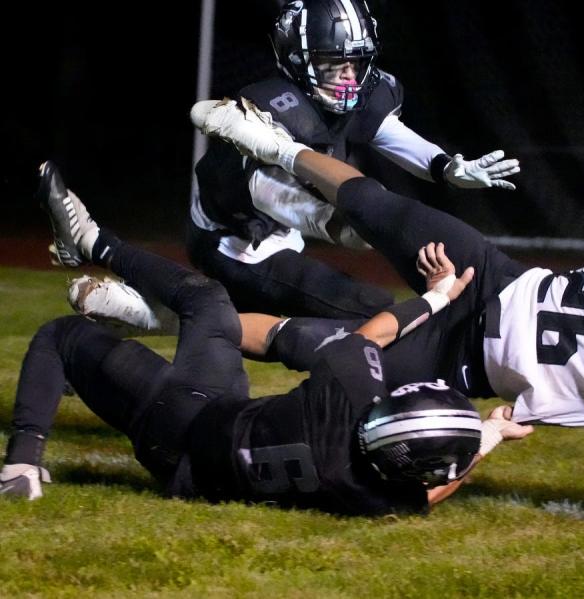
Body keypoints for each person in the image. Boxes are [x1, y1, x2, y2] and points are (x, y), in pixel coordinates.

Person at [181, 95, 584, 536]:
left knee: (319, 348)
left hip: (461, 367)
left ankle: (171, 316)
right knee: (380, 207)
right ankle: (272, 144)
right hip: (490, 278)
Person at [0, 161, 532, 513]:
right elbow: (434, 489)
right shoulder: (378, 494)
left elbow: (376, 332)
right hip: (189, 471)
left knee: (112, 324)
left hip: (189, 414)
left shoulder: (346, 393)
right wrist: (490, 435)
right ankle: (130, 315)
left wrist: (438, 296)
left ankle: (95, 242)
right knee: (189, 335)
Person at [189, 0, 520, 320]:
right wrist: (354, 226)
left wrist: (446, 166)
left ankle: (231, 319)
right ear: (295, 59)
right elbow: (272, 194)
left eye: (356, 63)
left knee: (277, 322)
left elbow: (388, 131)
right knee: (368, 308)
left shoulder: (348, 99)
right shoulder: (268, 111)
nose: (349, 76)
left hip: (281, 235)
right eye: (333, 63)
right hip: (235, 243)